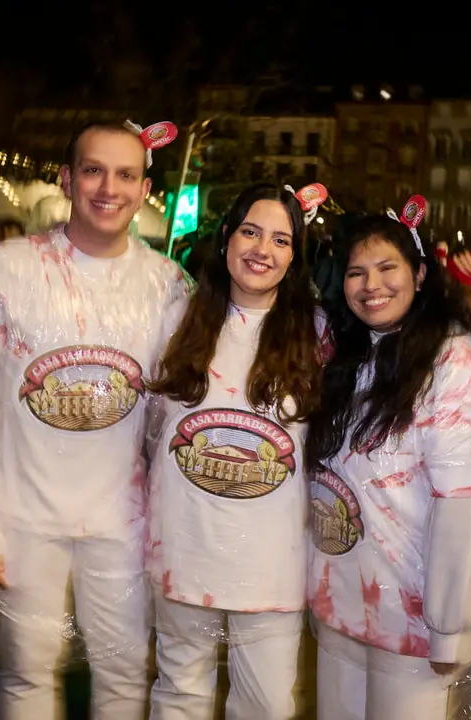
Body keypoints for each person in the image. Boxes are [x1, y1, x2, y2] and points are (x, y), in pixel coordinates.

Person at [0, 121, 189, 719]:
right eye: (93, 170)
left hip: (124, 519)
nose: (108, 187)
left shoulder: (166, 285)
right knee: (26, 668)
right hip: (22, 513)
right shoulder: (6, 269)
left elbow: (181, 410)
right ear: (67, 178)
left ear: (145, 187)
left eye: (126, 174)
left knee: (124, 671)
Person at [304, 212, 471, 719]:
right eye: (355, 272)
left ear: (420, 274)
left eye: (387, 268)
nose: (372, 286)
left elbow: (463, 503)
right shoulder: (344, 355)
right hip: (340, 608)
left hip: (411, 620)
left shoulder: (450, 359)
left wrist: (447, 625)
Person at [146, 183, 327, 719]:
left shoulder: (318, 335)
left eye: (281, 240)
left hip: (272, 564)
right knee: (179, 694)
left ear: (295, 258)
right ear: (226, 236)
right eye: (250, 232)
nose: (262, 250)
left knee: (266, 706)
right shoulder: (174, 318)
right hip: (184, 549)